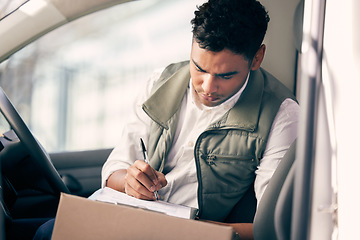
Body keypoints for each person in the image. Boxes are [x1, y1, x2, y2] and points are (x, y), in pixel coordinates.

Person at [34, 0, 299, 239]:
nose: (207, 86)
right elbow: (114, 168)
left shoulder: (281, 115)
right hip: (131, 213)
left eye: (225, 75)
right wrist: (129, 180)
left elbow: (272, 224)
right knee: (47, 232)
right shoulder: (160, 83)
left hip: (188, 232)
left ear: (257, 58)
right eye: (199, 68)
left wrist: (193, 230)